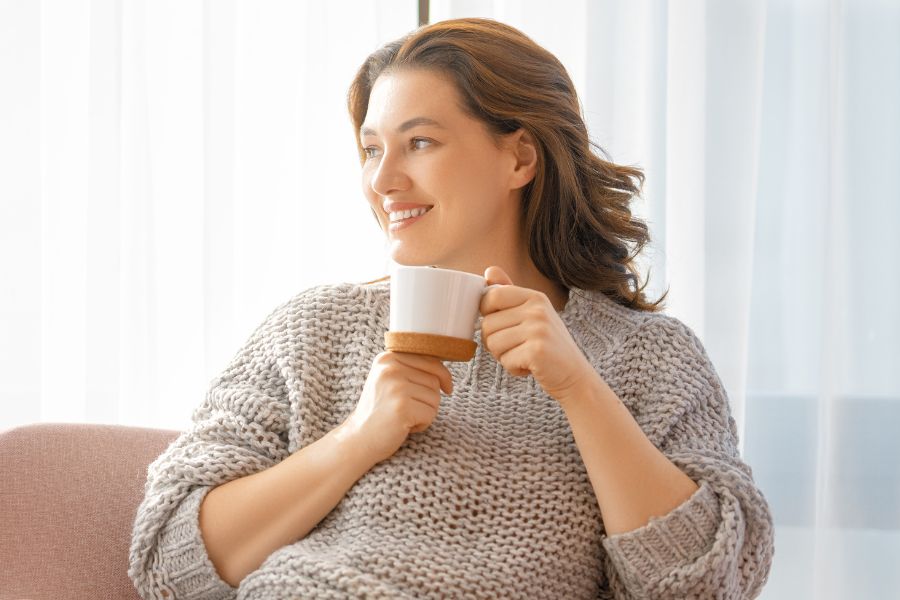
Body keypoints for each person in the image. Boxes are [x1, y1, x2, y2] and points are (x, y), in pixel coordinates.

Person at [129, 17, 774, 599]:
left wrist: (579, 388)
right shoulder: (312, 330)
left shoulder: (651, 357)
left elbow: (706, 582)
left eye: (420, 143)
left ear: (520, 155)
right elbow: (170, 560)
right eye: (372, 148)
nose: (382, 182)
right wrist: (357, 439)